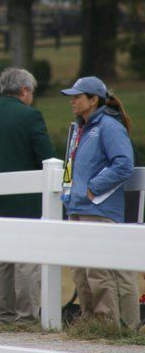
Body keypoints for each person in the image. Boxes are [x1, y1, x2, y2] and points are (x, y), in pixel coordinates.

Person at [0, 67, 54, 325]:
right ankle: (26, 319)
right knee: (26, 263)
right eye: (32, 93)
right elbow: (47, 159)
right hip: (26, 203)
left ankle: (1, 318)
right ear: (24, 90)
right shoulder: (31, 117)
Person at [60, 76, 137, 328]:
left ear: (93, 100)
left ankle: (109, 326)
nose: (72, 101)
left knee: (98, 271)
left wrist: (93, 189)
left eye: (77, 96)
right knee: (81, 272)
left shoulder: (108, 126)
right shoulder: (79, 127)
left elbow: (123, 164)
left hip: (99, 208)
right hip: (79, 207)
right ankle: (91, 323)